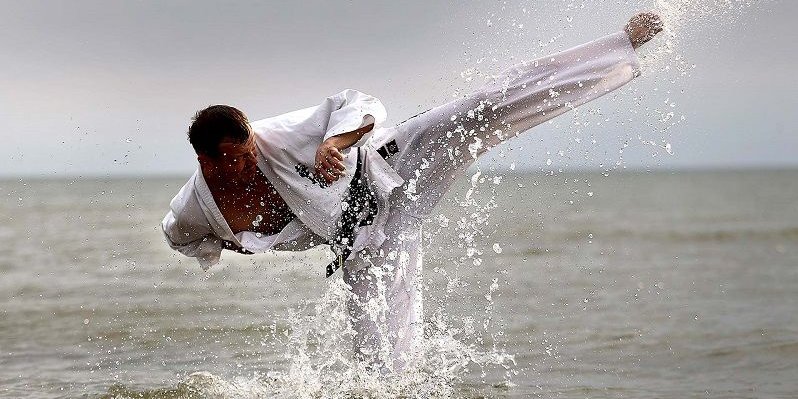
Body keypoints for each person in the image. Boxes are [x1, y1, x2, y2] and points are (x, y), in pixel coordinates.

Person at [162, 13, 663, 372]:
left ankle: (618, 47)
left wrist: (334, 143)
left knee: (477, 108)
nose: (251, 159)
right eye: (238, 156)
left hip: (387, 167)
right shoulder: (192, 210)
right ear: (208, 160)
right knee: (381, 357)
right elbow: (181, 241)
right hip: (365, 240)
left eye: (250, 147)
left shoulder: (275, 137)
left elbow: (358, 102)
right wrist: (230, 246)